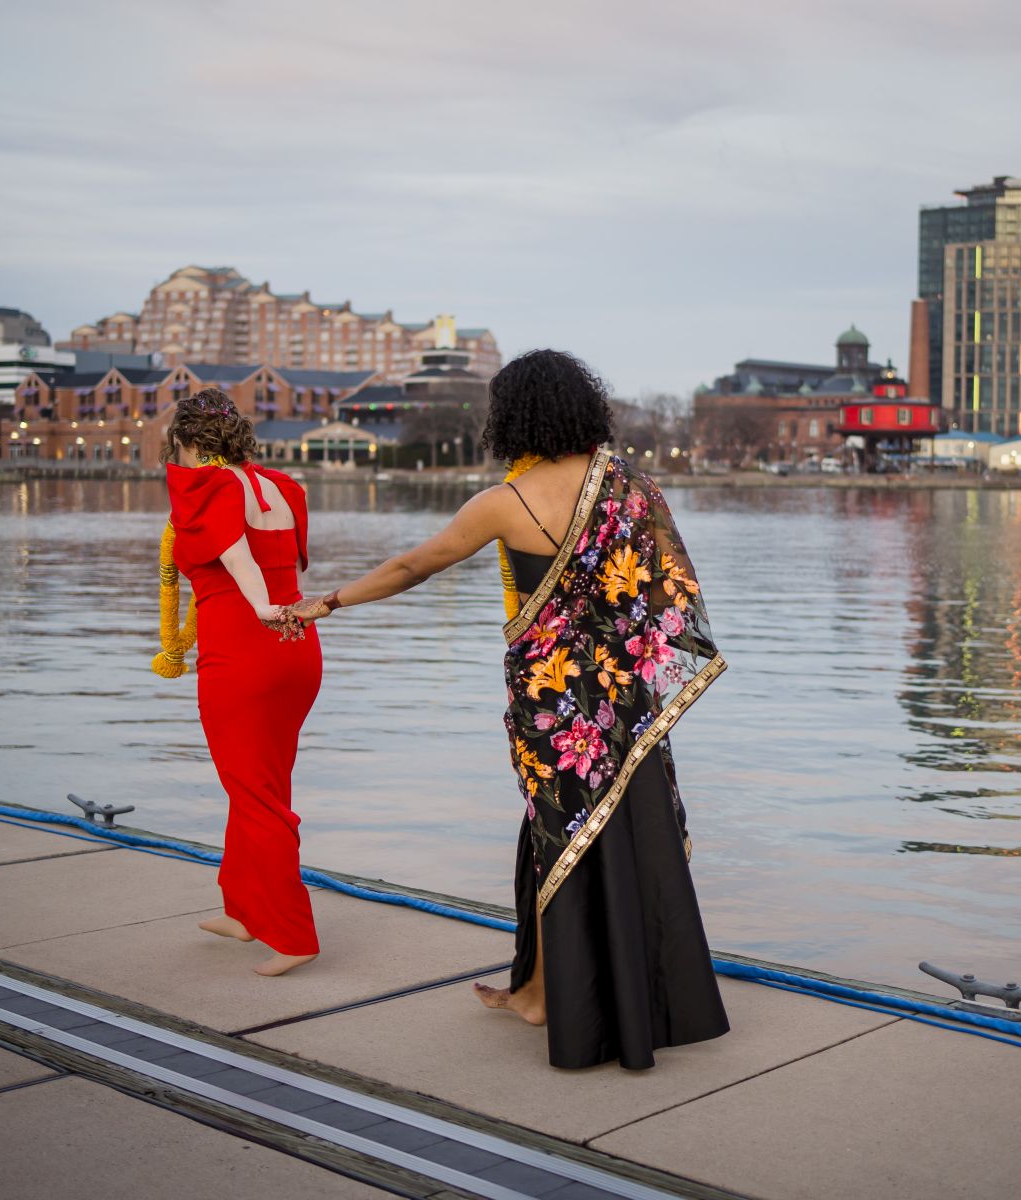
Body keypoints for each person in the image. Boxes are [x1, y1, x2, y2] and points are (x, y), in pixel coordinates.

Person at [293, 350, 730, 1069]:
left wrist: (327, 602)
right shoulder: (630, 485)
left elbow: (413, 567)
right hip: (625, 700)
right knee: (617, 839)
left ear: (513, 417)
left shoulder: (507, 500)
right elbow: (660, 597)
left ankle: (540, 998)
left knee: (557, 836)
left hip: (554, 702)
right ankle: (551, 990)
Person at [158, 387, 323, 977]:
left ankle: (292, 933)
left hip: (244, 650)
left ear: (192, 443)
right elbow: (284, 559)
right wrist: (275, 610)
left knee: (255, 795)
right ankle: (245, 910)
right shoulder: (279, 485)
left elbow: (234, 553)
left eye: (178, 448)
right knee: (259, 783)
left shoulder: (207, 485)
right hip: (298, 652)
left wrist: (258, 608)